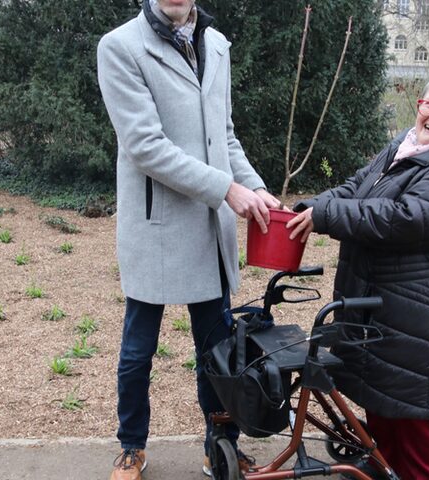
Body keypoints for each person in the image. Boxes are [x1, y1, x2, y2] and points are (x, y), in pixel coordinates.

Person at [96, 1, 281, 479]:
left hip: (207, 225)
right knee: (138, 351)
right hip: (156, 225)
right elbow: (145, 147)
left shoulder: (217, 45)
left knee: (218, 351)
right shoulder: (120, 47)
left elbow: (225, 136)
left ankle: (219, 444)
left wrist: (255, 186)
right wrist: (226, 189)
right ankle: (132, 445)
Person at [286, 70, 429, 480]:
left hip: (422, 319)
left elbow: (406, 219)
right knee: (382, 421)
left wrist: (327, 216)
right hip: (386, 310)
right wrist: (314, 206)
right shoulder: (406, 145)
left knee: (414, 438)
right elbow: (359, 186)